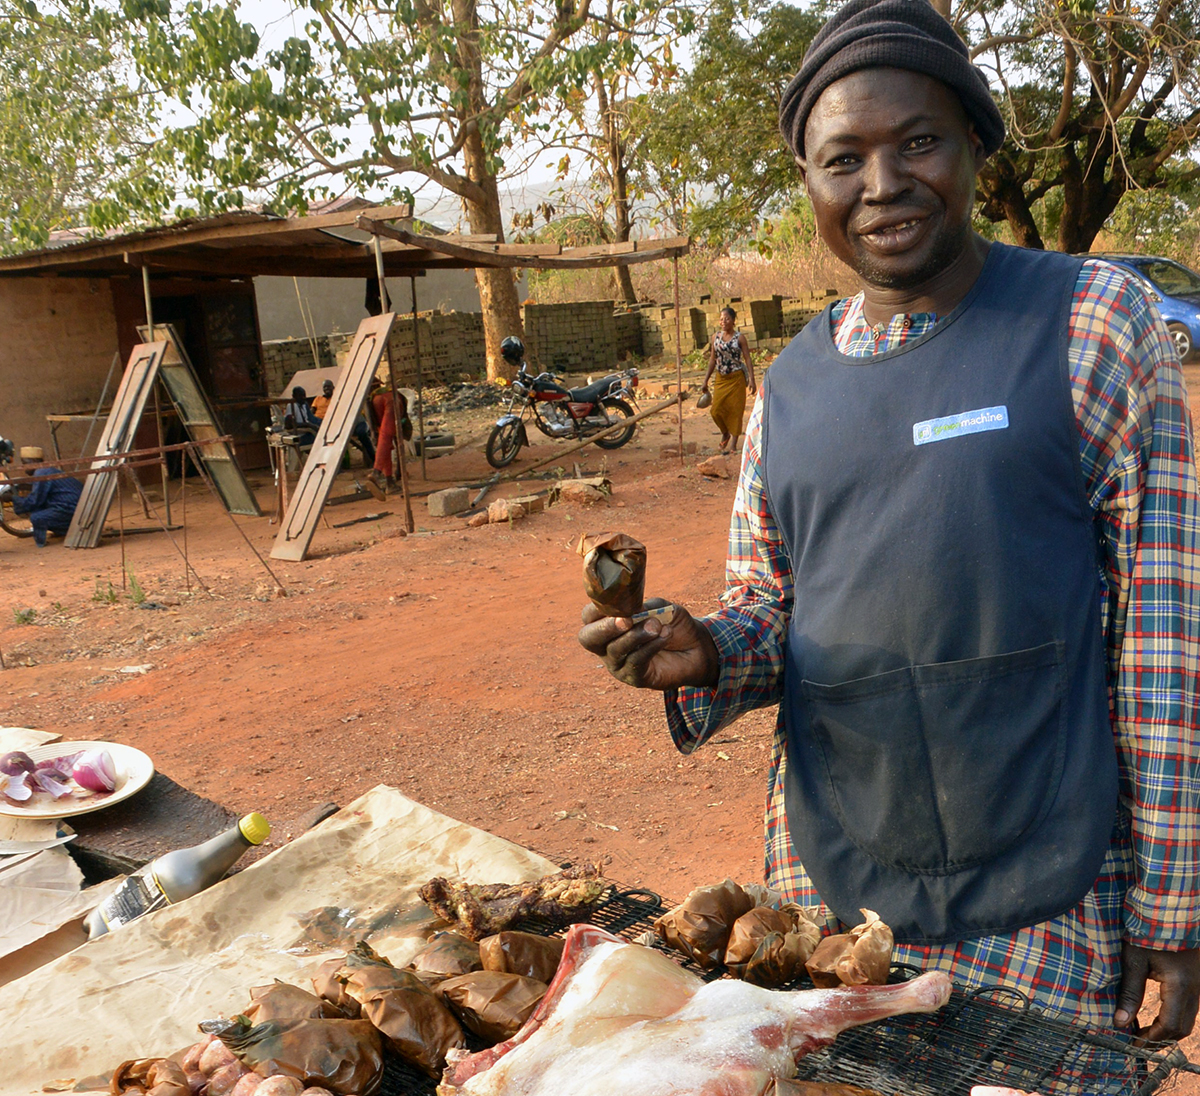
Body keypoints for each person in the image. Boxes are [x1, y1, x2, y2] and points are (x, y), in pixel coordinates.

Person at [579, 0, 1200, 1040]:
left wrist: (1173, 901)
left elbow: (1165, 635)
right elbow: (774, 606)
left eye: (917, 142)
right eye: (844, 159)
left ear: (975, 144)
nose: (882, 184)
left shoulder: (1091, 322)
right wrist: (709, 649)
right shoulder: (789, 389)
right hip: (834, 888)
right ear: (810, 181)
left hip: (1054, 887)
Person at [700, 307, 756, 453]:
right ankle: (725, 432)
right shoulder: (715, 337)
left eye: (727, 319)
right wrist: (705, 381)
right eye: (721, 319)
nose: (723, 322)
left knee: (736, 411)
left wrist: (752, 379)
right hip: (721, 379)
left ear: (733, 321)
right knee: (715, 410)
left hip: (737, 379)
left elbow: (747, 358)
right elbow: (712, 360)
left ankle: (733, 445)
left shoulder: (740, 338)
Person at [6, 447, 82, 547]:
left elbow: (35, 500)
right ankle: (63, 530)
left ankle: (44, 541)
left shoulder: (41, 473)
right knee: (40, 509)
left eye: (25, 463)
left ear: (33, 462)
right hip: (75, 505)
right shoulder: (46, 470)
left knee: (36, 517)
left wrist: (13, 499)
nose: (24, 467)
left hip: (71, 508)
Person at [311, 378, 376, 465]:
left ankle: (374, 458)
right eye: (325, 387)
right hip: (326, 424)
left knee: (362, 433)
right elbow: (311, 411)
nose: (326, 389)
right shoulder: (319, 399)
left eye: (328, 386)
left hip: (354, 423)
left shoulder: (339, 398)